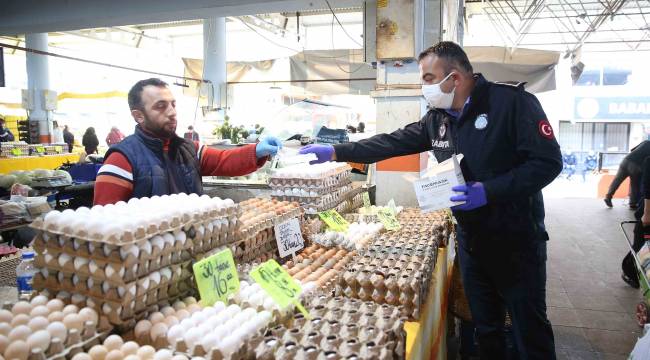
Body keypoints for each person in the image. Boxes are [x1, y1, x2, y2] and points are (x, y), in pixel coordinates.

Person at [299, 41, 562, 359]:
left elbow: (547, 163)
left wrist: (489, 191)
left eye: (427, 77)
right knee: (487, 328)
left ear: (455, 78)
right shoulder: (439, 119)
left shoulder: (512, 103)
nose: (424, 86)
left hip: (516, 242)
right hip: (472, 243)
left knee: (529, 330)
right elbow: (392, 142)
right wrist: (338, 151)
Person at [93, 78, 281, 205]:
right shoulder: (121, 160)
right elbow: (105, 223)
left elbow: (225, 160)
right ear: (138, 116)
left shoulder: (188, 149)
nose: (172, 112)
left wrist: (257, 151)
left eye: (173, 104)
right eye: (161, 106)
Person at [621, 155, 650, 288]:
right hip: (647, 214)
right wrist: (647, 213)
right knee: (641, 244)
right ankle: (630, 271)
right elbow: (648, 188)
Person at [604, 140, 650, 208]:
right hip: (636, 165)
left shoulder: (646, 142)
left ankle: (608, 196)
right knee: (635, 184)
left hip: (626, 160)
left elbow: (632, 150)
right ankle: (632, 203)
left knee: (617, 180)